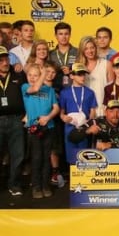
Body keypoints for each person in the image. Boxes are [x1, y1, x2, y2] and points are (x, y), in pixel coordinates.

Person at [21, 63, 59, 198]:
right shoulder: (25, 87)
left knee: (46, 158)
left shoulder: (49, 90)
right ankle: (36, 187)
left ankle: (45, 185)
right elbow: (35, 87)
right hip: (34, 129)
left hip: (48, 127)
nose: (32, 78)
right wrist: (43, 73)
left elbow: (56, 108)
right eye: (29, 75)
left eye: (35, 75)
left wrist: (48, 117)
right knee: (36, 158)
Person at [0, 46, 27, 196]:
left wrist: (27, 114)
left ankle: (14, 185)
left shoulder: (18, 74)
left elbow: (28, 93)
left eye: (6, 59)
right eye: (1, 60)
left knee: (18, 154)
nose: (4, 62)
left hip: (17, 120)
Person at [59, 63, 97, 165]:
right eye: (79, 74)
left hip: (84, 127)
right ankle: (73, 178)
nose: (82, 77)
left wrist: (88, 124)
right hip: (70, 127)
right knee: (71, 155)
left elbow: (92, 112)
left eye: (84, 74)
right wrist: (63, 117)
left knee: (83, 154)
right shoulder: (64, 92)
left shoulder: (90, 92)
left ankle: (83, 178)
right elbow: (61, 112)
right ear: (71, 76)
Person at [76, 36, 114, 117]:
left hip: (102, 110)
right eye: (86, 49)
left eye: (92, 48)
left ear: (96, 48)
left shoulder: (106, 64)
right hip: (83, 111)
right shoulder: (78, 67)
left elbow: (113, 90)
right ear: (82, 50)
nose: (90, 51)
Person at [51, 22, 78, 88]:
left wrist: (71, 72)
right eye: (60, 34)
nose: (64, 37)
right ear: (56, 36)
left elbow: (83, 72)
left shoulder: (78, 52)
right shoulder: (50, 54)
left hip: (73, 89)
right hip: (55, 90)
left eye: (66, 34)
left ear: (70, 35)